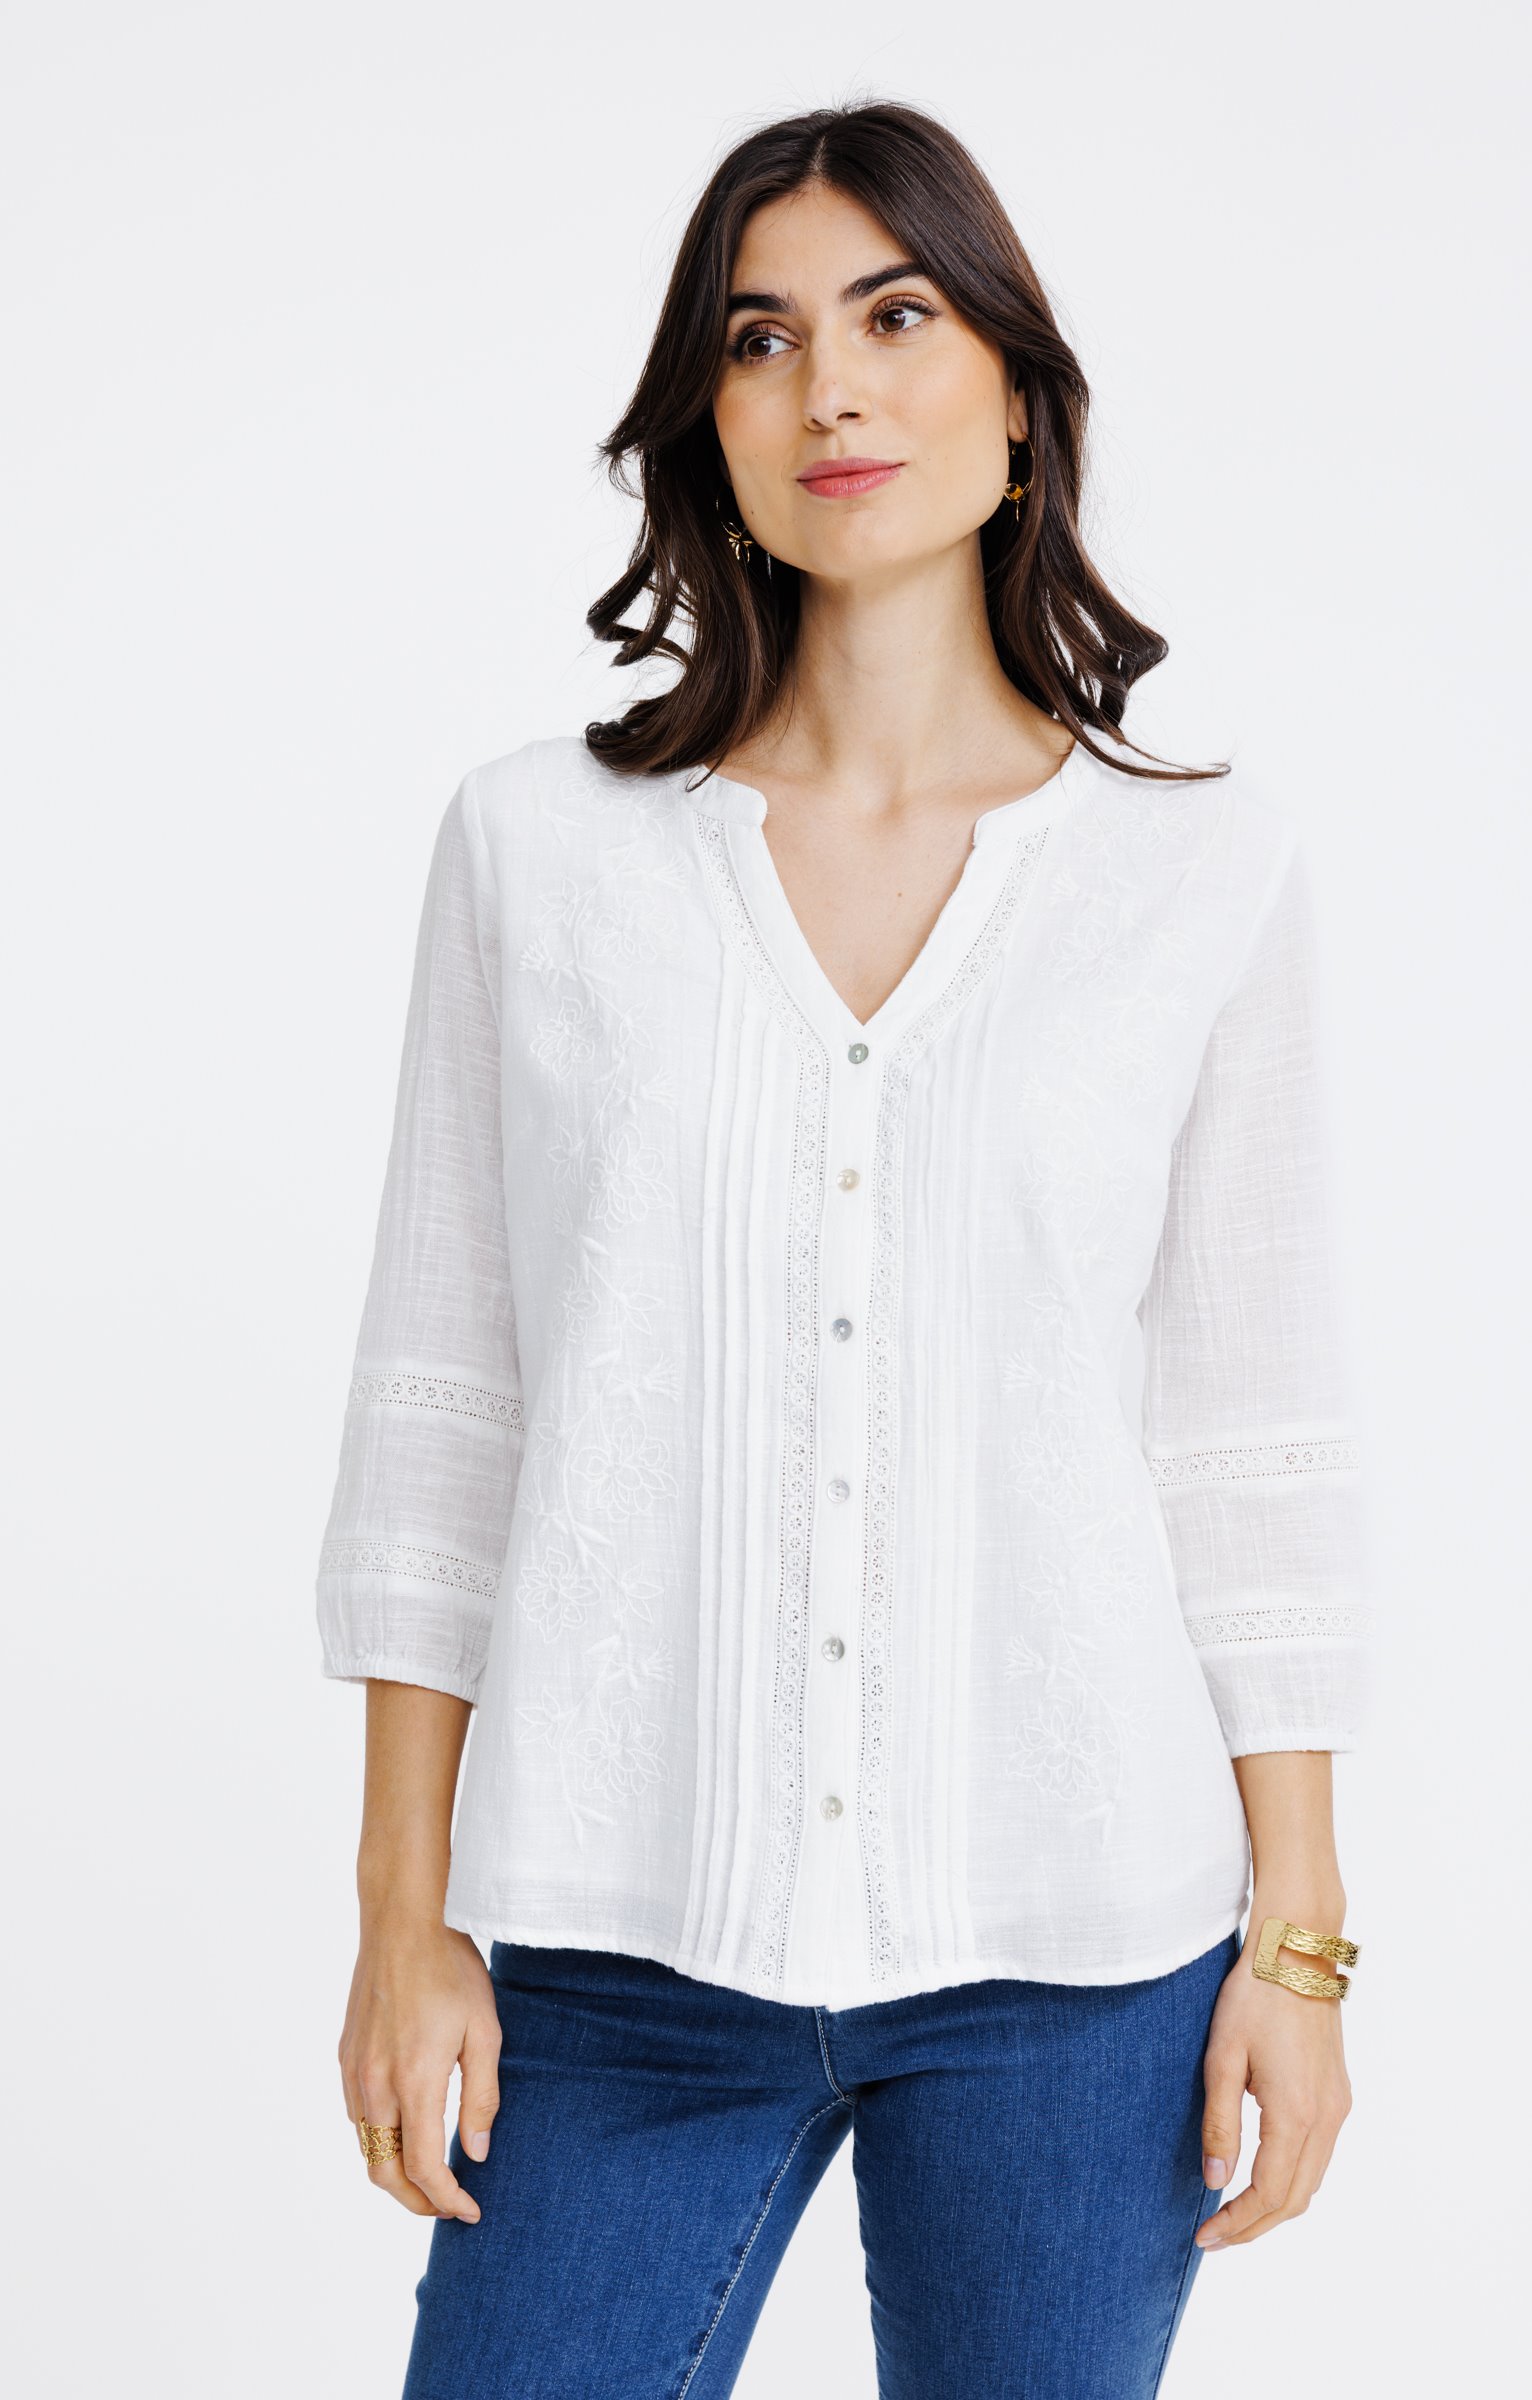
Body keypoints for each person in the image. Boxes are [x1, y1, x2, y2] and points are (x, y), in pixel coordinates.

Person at [316, 99, 1370, 2400]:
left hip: (1078, 1959)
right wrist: (404, 1916)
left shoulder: (1203, 878)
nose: (830, 389)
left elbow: (1246, 1434)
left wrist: (1295, 1949)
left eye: (895, 318)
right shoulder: (537, 857)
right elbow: (444, 1414)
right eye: (760, 337)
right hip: (608, 1945)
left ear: (1016, 395)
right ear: (706, 423)